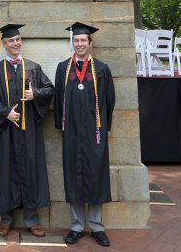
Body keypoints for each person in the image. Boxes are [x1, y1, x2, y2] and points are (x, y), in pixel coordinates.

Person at [0, 24, 54, 238]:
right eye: (10, 41)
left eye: (17, 39)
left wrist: (36, 95)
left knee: (30, 170)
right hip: (6, 130)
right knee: (5, 171)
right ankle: (5, 220)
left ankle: (31, 220)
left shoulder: (33, 67)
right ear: (4, 45)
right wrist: (5, 113)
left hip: (28, 131)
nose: (15, 43)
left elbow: (49, 89)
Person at [54, 22, 115, 247]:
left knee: (96, 177)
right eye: (76, 40)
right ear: (73, 42)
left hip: (94, 133)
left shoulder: (101, 69)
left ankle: (97, 227)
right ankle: (77, 226)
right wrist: (61, 126)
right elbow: (58, 98)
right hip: (71, 133)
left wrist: (103, 126)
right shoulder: (63, 68)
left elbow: (109, 101)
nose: (80, 44)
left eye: (83, 41)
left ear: (90, 43)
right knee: (74, 178)